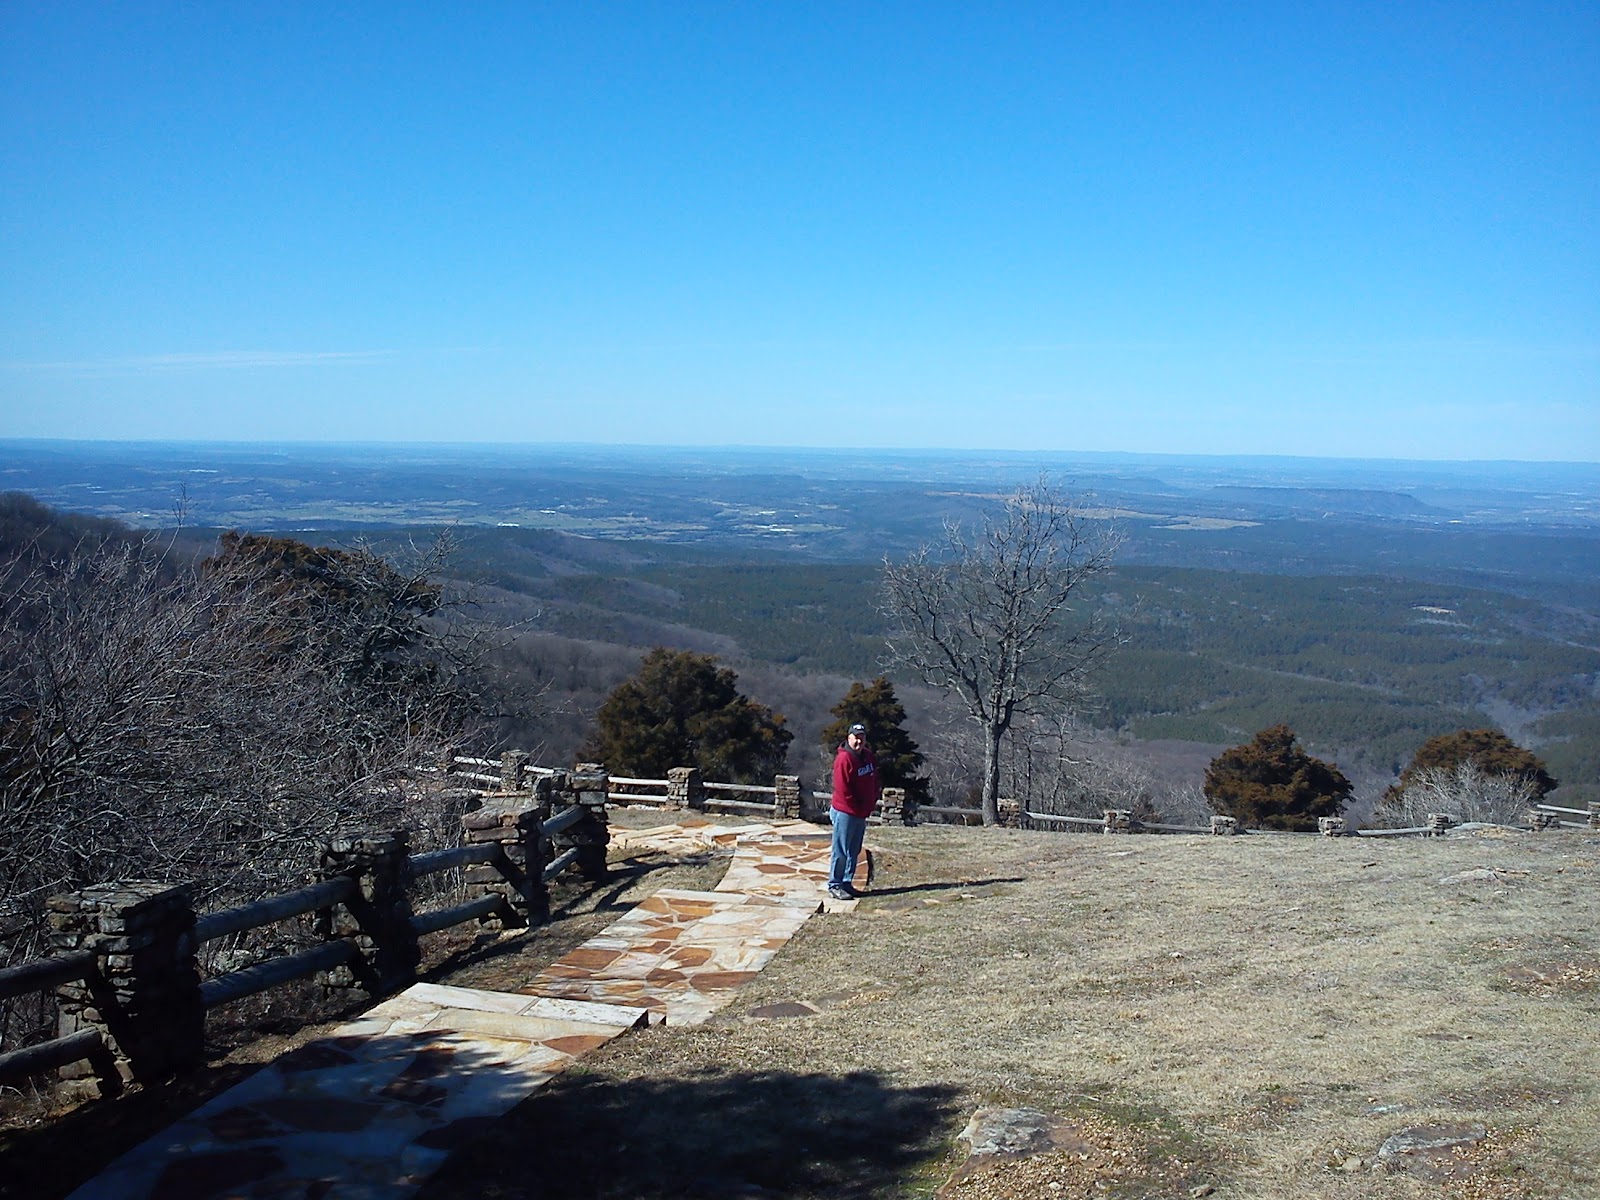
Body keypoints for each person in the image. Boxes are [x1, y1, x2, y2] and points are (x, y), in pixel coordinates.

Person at [828, 722, 880, 900]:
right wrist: (858, 808)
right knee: (841, 850)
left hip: (860, 813)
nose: (859, 741)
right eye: (855, 737)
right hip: (846, 812)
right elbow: (843, 790)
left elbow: (874, 781)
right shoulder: (844, 759)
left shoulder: (867, 756)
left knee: (854, 849)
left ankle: (846, 882)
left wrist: (871, 802)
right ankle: (835, 884)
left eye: (862, 737)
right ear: (848, 738)